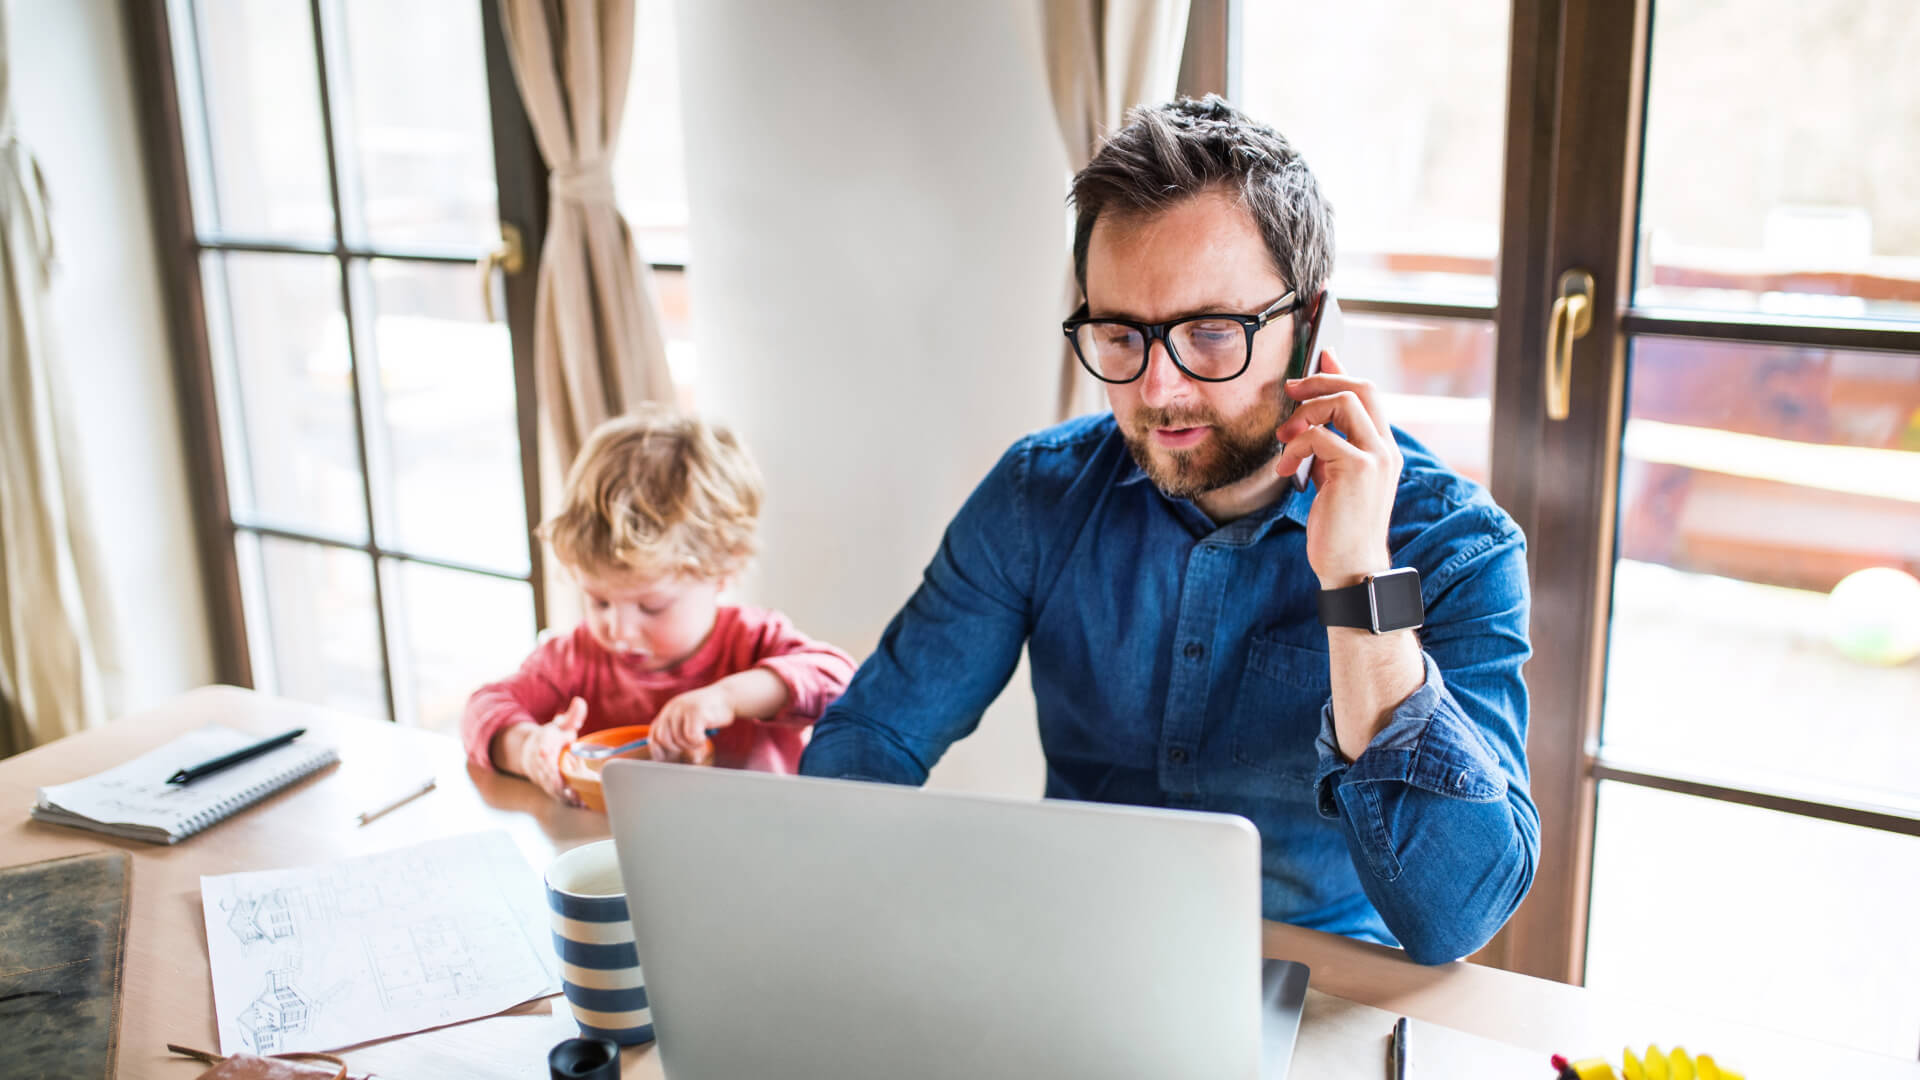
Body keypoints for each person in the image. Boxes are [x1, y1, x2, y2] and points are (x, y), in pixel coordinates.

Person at [799, 96, 1536, 964]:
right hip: (1070, 957)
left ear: (1307, 325)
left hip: (1322, 983)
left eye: (1212, 334)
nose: (1156, 390)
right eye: (1120, 335)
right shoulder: (1038, 498)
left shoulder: (1455, 547)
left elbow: (1458, 916)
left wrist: (1356, 580)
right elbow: (876, 738)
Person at [465, 406, 855, 805]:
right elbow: (483, 708)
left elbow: (840, 681)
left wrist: (728, 698)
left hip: (757, 847)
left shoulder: (752, 642)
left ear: (724, 569)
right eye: (599, 601)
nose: (618, 629)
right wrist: (528, 749)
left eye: (651, 607)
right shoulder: (576, 659)